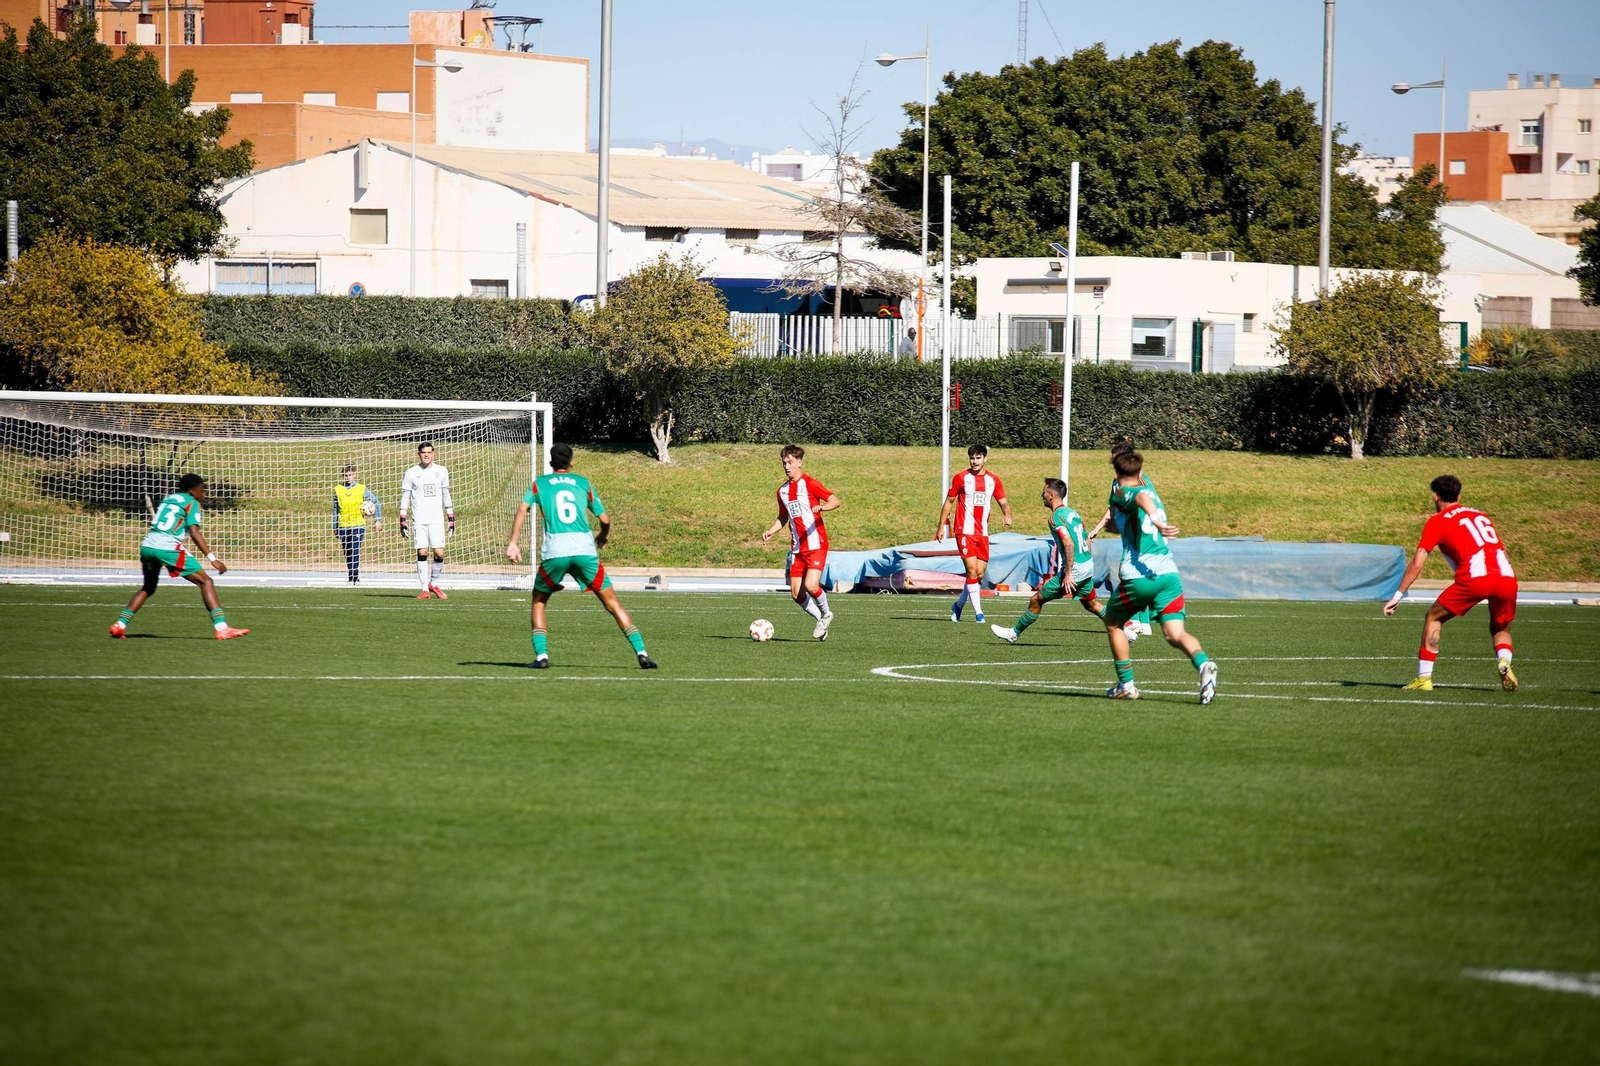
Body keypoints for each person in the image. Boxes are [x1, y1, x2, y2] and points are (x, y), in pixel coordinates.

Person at [505, 443, 657, 670]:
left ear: (550, 463)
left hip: (556, 550)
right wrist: (603, 535)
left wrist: (513, 543)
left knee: (539, 602)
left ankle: (542, 656)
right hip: (585, 550)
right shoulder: (583, 483)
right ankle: (642, 652)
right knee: (612, 603)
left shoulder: (539, 484)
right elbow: (605, 519)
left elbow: (521, 509)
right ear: (572, 462)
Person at [1382, 474, 1519, 692]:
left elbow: (1417, 564)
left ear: (1436, 497)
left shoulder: (1438, 521)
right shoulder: (1481, 515)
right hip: (1506, 577)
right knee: (1501, 628)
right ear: (1459, 495)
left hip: (1476, 578)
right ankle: (1504, 661)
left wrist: (1397, 595)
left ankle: (1424, 679)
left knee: (1433, 617)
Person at [1100, 450, 1217, 704]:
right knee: (1174, 634)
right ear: (1140, 471)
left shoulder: (1123, 491)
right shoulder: (1155, 494)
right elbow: (1135, 512)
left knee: (1112, 622)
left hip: (1140, 575)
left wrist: (1156, 521)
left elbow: (1139, 497)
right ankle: (1204, 665)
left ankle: (1126, 685)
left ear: (1116, 473)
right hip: (1169, 575)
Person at [109, 473, 249, 640]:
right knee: (206, 582)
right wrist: (213, 559)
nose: (203, 495)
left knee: (148, 587)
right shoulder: (192, 502)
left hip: (147, 546)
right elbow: (194, 533)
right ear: (191, 491)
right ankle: (222, 627)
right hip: (167, 548)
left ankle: (120, 625)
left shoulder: (169, 499)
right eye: (202, 491)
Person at [992, 477, 1106, 643]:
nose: (1042, 495)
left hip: (1074, 570)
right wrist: (1084, 562)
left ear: (1051, 495)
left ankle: (1013, 633)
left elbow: (1068, 543)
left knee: (1036, 599)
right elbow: (1086, 539)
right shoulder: (1072, 512)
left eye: (1044, 492)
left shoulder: (1055, 517)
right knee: (1092, 605)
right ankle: (1126, 631)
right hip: (1086, 565)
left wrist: (1068, 573)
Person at [760, 444, 841, 640]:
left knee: (812, 586)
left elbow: (835, 500)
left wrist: (822, 508)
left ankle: (827, 613)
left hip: (816, 543)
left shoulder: (810, 484)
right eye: (784, 463)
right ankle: (820, 619)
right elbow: (783, 517)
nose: (787, 466)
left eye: (790, 462)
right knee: (796, 594)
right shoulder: (782, 491)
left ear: (799, 462)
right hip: (797, 548)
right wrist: (771, 531)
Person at [937, 444, 1012, 624]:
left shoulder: (993, 480)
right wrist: (941, 526)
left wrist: (1007, 514)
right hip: (964, 532)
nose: (974, 461)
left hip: (983, 534)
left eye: (978, 458)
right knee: (971, 571)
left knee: (978, 574)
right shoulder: (961, 478)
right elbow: (949, 501)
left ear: (985, 459)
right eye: (972, 458)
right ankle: (979, 614)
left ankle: (959, 605)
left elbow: (1003, 501)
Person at [1087, 441, 1152, 643]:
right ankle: (1142, 623)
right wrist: (1096, 529)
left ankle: (1137, 621)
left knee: (1129, 576)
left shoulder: (1139, 479)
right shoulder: (1116, 482)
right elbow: (1112, 509)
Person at [399, 442, 453, 600]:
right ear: (419, 454)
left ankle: (433, 583)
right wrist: (403, 518)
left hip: (436, 519)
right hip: (419, 519)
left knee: (439, 552)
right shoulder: (411, 473)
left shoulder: (441, 471)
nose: (426, 455)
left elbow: (445, 494)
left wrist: (451, 517)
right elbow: (405, 496)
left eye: (429, 452)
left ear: (434, 453)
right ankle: (424, 589)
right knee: (422, 551)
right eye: (423, 452)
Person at [332, 464, 382, 584]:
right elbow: (335, 509)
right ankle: (351, 574)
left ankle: (354, 576)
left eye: (350, 475)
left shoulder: (361, 488)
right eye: (345, 475)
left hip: (358, 524)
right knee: (347, 551)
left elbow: (376, 502)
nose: (348, 477)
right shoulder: (338, 489)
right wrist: (335, 526)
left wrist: (377, 520)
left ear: (355, 475)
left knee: (355, 549)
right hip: (344, 525)